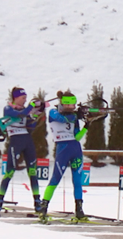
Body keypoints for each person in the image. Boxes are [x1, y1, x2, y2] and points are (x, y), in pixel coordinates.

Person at [38, 90, 91, 222]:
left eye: (73, 106)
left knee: (77, 181)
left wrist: (87, 125)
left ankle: (79, 210)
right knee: (55, 179)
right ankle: (43, 207)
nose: (71, 108)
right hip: (62, 149)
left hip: (75, 149)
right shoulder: (53, 112)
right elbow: (62, 118)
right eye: (69, 105)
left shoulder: (74, 117)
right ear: (62, 104)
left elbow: (77, 137)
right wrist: (76, 115)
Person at [0, 87, 45, 213]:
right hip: (15, 141)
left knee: (32, 172)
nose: (25, 100)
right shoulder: (8, 108)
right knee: (10, 171)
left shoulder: (25, 110)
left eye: (26, 98)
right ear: (15, 98)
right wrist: (30, 107)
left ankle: (37, 201)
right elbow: (19, 115)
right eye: (23, 98)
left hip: (27, 140)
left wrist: (36, 116)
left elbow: (30, 126)